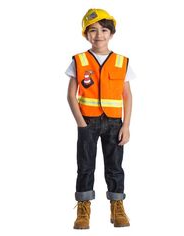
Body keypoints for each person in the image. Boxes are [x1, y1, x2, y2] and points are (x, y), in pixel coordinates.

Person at [66, 8, 135, 229]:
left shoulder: (121, 62)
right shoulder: (80, 60)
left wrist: (126, 125)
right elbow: (70, 94)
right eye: (93, 30)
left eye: (104, 30)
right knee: (85, 165)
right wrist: (80, 122)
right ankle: (83, 209)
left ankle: (117, 207)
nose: (99, 35)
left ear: (112, 33)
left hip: (115, 123)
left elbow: (127, 95)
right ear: (86, 33)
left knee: (115, 166)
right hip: (87, 121)